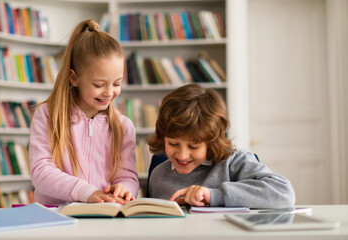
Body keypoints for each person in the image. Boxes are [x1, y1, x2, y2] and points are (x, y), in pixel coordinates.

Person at [29, 19, 139, 205]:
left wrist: (125, 188)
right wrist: (85, 192)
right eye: (99, 84)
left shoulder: (123, 126)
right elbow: (41, 171)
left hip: (103, 215)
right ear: (74, 78)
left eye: (117, 83)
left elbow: (128, 175)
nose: (109, 92)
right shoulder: (47, 115)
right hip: (56, 215)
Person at [148, 84, 295, 208]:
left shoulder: (234, 162)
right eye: (173, 144)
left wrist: (214, 195)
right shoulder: (158, 175)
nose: (182, 155)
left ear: (212, 141)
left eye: (194, 146)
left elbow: (284, 193)